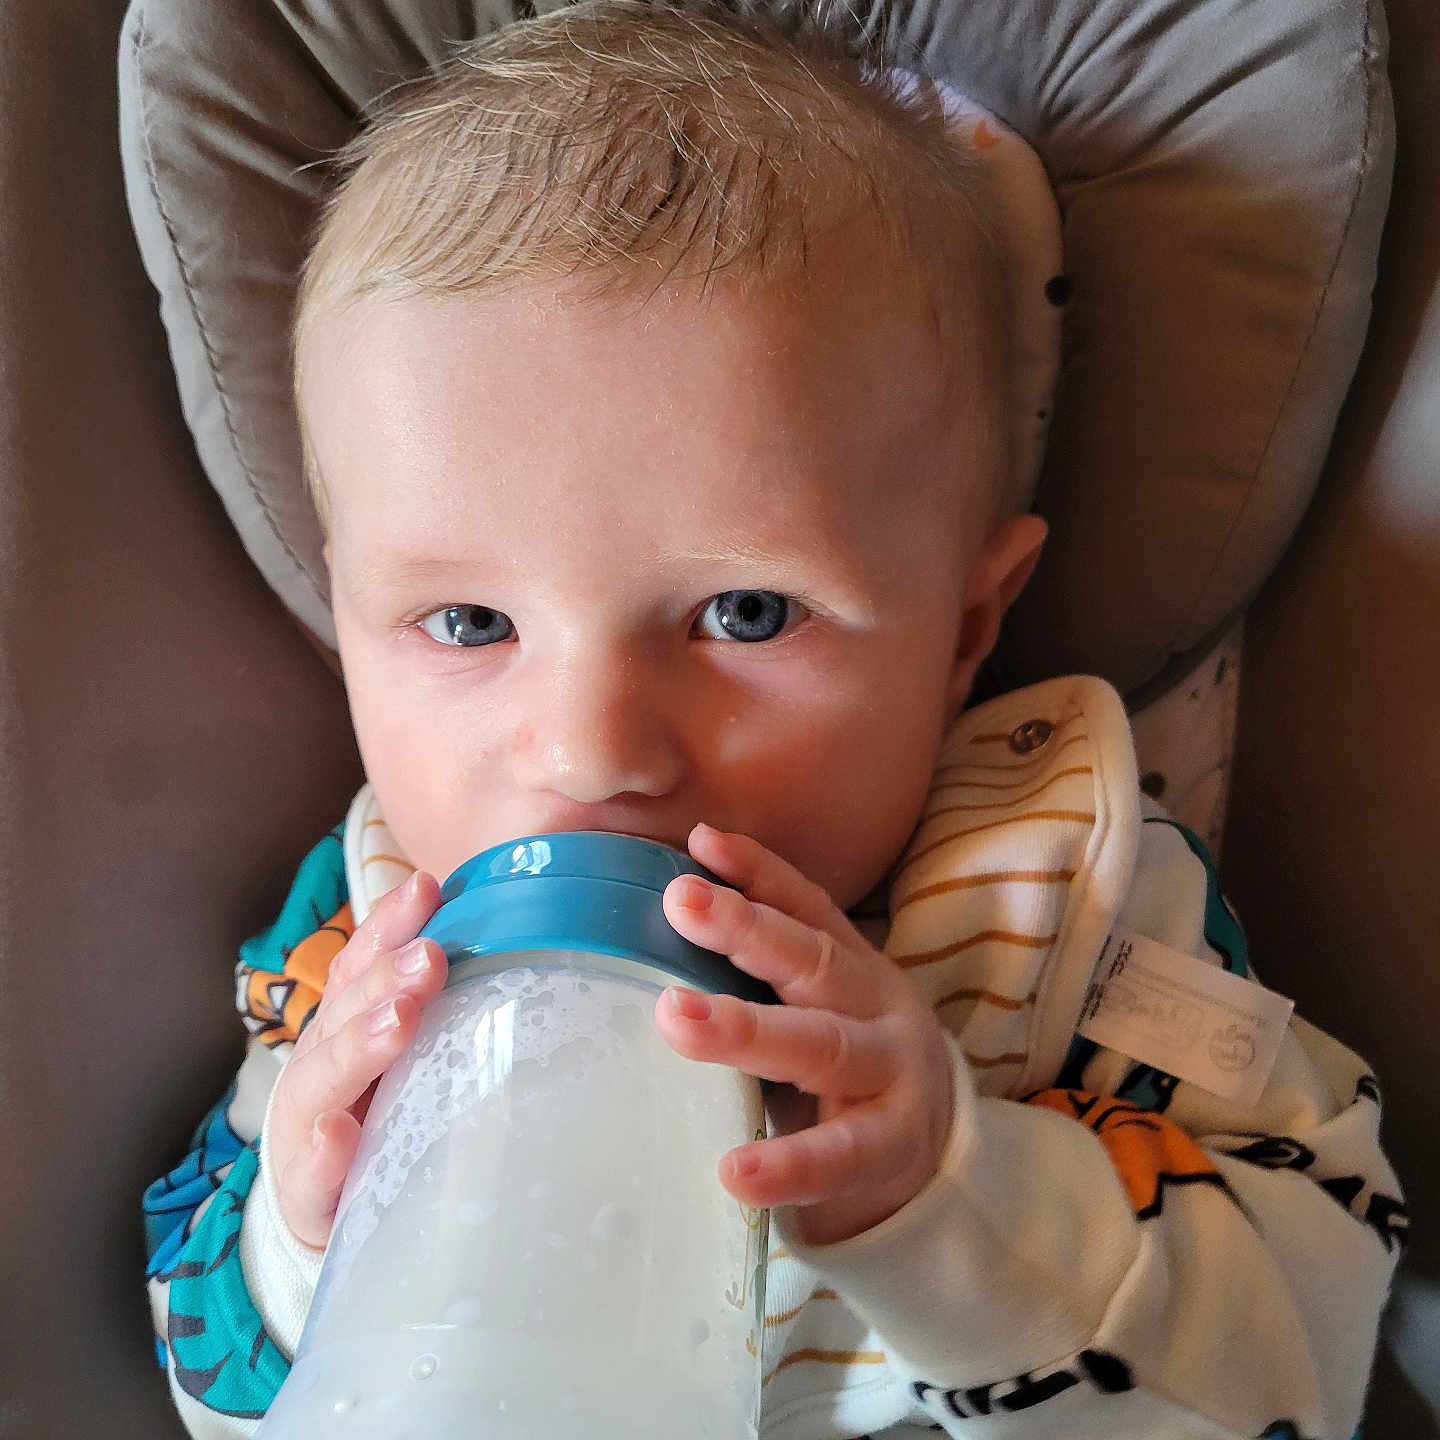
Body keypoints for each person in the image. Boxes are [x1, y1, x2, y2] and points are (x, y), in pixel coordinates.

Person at [142, 3, 1405, 1436]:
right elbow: (211, 1361)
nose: (590, 749)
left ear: (965, 632)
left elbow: (1309, 1342)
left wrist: (953, 1195)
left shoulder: (1072, 906)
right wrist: (306, 1244)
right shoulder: (364, 948)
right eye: (470, 624)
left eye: (745, 613)